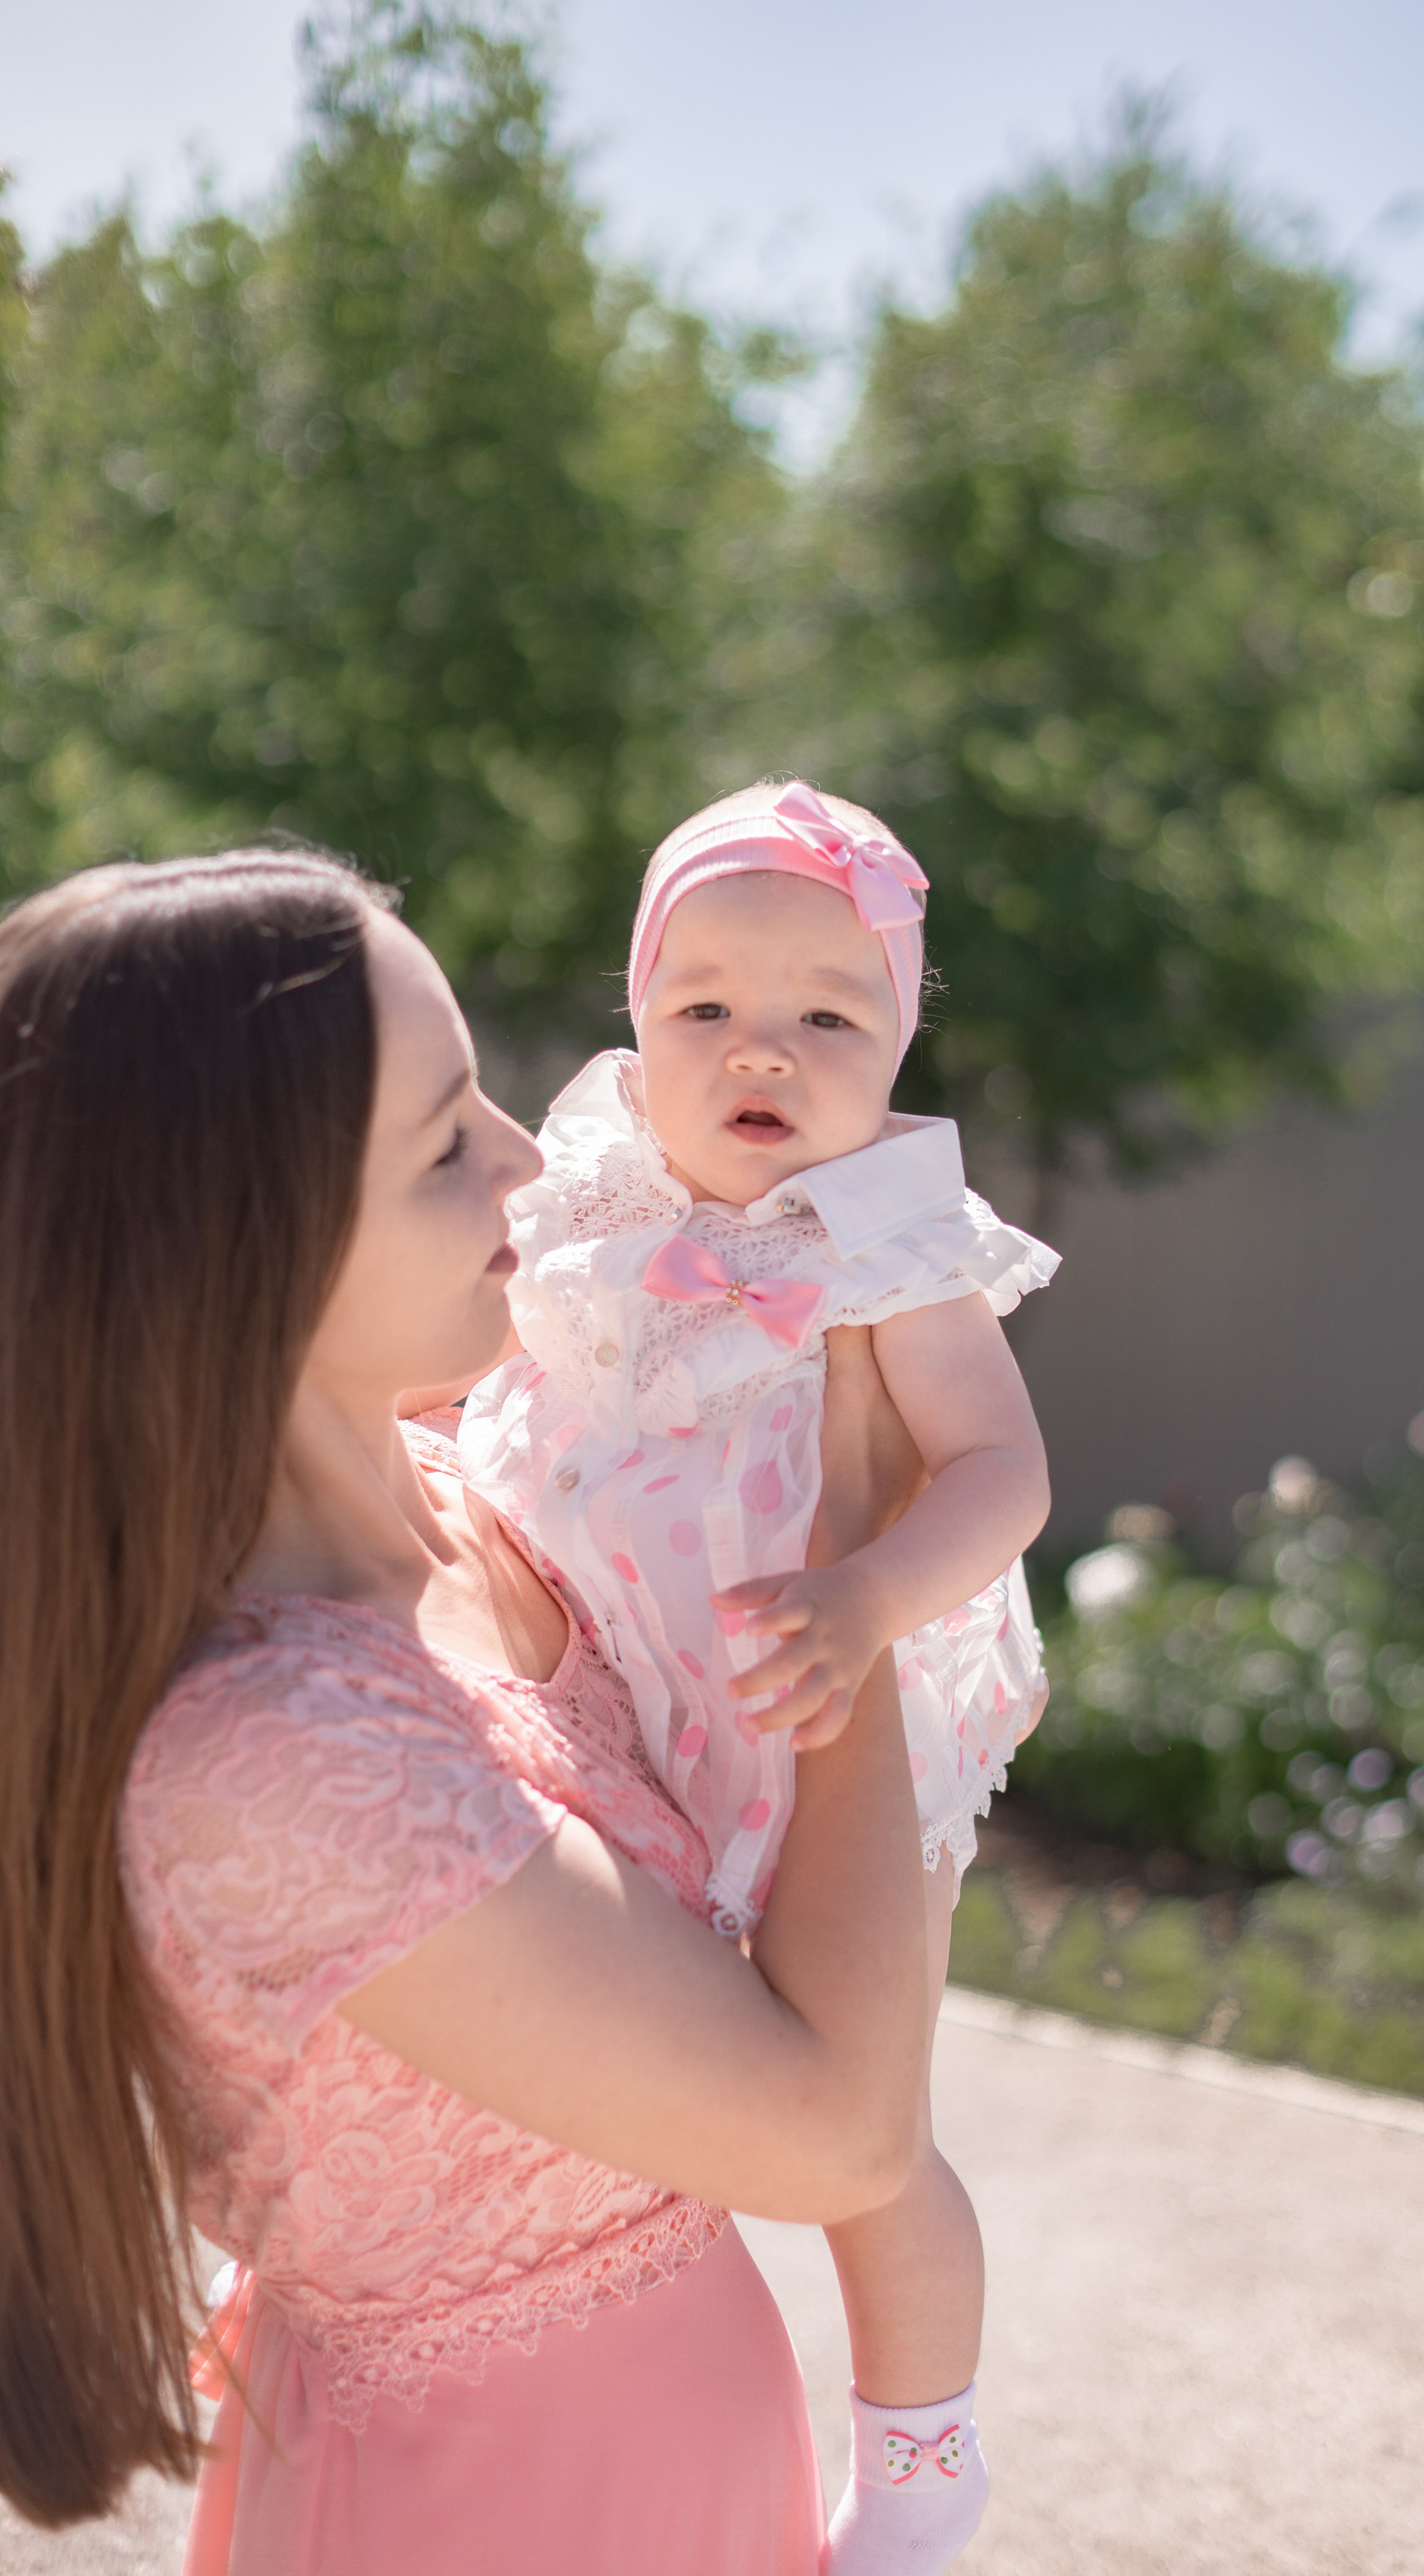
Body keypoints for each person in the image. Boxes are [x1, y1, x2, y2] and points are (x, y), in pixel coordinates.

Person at [0, 849, 932, 2575]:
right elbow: (839, 2132)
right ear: (234, 1253)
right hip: (488, 2516)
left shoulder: (478, 1488)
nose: (529, 1160)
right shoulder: (274, 1754)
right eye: (444, 1147)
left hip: (680, 2476)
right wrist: (857, 1571)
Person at [457, 778, 1059, 2576]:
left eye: (828, 1017)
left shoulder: (889, 1248)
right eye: (704, 1004)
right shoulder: (590, 1195)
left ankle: (924, 2464)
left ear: (900, 1041)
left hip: (843, 1721)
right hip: (639, 1696)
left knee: (866, 2130)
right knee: (638, 2067)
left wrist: (869, 1596)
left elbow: (1003, 1474)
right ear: (636, 1018)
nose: (760, 1050)